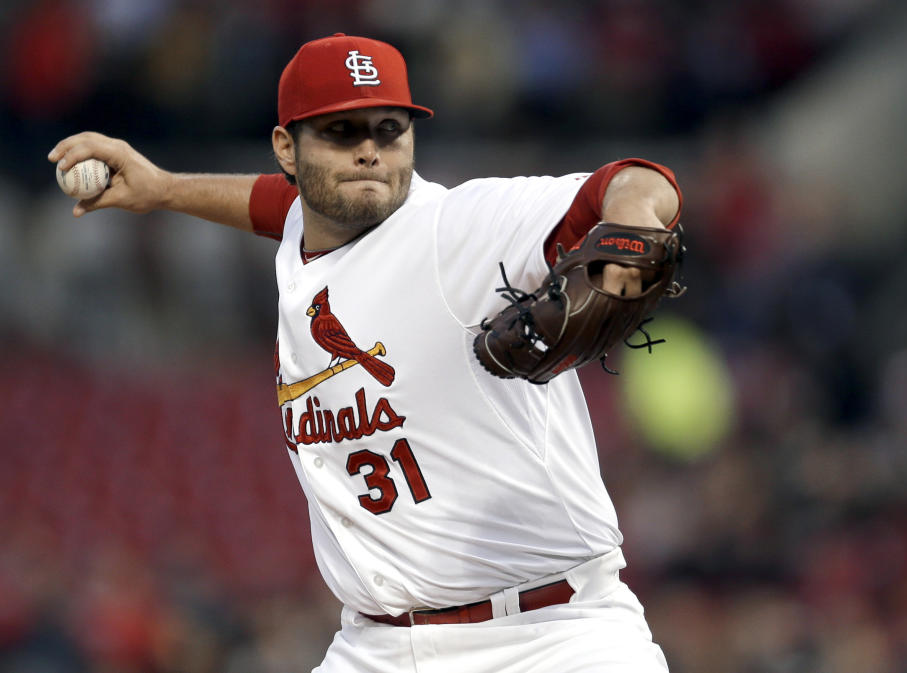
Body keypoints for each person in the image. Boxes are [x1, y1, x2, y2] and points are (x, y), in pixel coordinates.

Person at [49, 33, 682, 673]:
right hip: (376, 647)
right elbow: (280, 206)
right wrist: (161, 188)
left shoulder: (456, 229)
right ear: (286, 149)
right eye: (342, 132)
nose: (370, 153)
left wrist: (630, 231)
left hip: (549, 638)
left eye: (388, 129)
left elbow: (638, 182)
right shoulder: (307, 223)